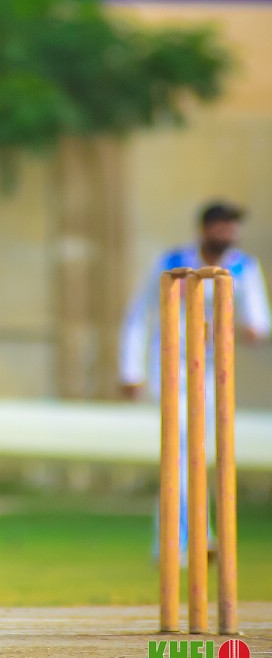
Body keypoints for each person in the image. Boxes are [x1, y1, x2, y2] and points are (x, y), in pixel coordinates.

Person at [119, 200, 270, 560]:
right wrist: (130, 370)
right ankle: (194, 537)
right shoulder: (173, 263)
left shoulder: (243, 268)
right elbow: (139, 314)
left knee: (195, 453)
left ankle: (171, 543)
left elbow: (259, 325)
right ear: (204, 228)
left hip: (214, 371)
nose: (228, 232)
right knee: (180, 448)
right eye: (221, 225)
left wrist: (237, 330)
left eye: (232, 226)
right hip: (170, 365)